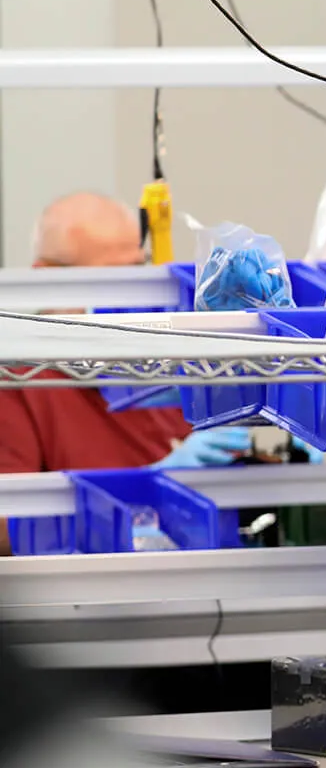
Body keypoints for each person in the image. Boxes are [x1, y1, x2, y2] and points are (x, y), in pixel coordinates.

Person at [0, 193, 251, 552]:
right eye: (112, 280)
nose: (128, 300)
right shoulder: (17, 380)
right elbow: (4, 530)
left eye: (139, 270)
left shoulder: (156, 361)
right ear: (46, 278)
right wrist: (139, 491)